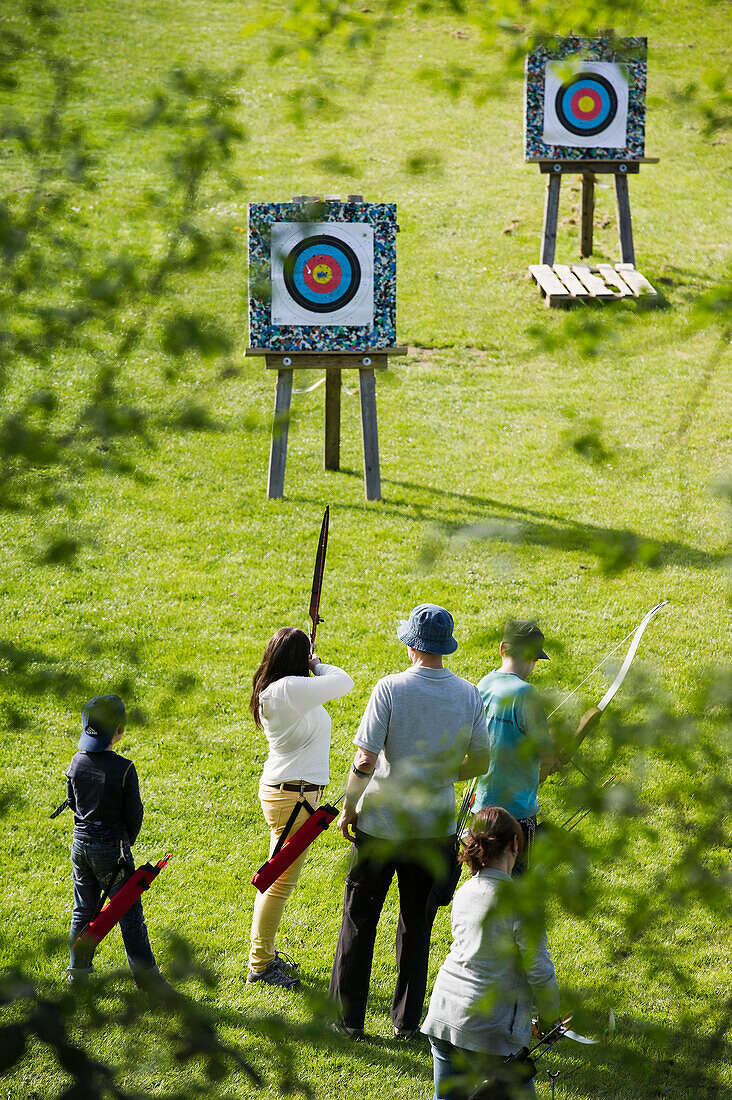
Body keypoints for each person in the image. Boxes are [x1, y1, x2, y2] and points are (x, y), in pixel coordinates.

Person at [328, 603, 490, 1041]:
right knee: (416, 926)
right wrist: (442, 774)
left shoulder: (390, 688)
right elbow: (481, 758)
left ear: (410, 643)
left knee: (359, 919)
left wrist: (349, 807)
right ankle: (406, 1022)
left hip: (380, 824)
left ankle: (348, 1021)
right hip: (433, 828)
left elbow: (365, 758)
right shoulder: (469, 694)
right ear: (445, 647)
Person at [421, 807, 561, 1100]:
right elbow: (540, 970)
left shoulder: (466, 891)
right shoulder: (522, 903)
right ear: (514, 845)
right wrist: (550, 1019)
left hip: (445, 1015)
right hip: (488, 1030)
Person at [247, 626, 353, 990]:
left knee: (273, 878)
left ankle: (262, 957)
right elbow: (344, 682)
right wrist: (318, 664)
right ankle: (260, 964)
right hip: (294, 798)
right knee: (276, 884)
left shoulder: (274, 690)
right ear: (298, 660)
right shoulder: (290, 689)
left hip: (285, 793)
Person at [66, 694, 161, 986]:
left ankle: (77, 974)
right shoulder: (124, 769)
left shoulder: (76, 761)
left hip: (80, 847)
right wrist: (124, 842)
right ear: (119, 730)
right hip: (113, 851)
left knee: (83, 908)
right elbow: (134, 814)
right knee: (129, 914)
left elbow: (72, 802)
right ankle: (148, 982)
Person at [473, 621, 557, 875]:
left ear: (502, 649)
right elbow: (548, 755)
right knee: (515, 886)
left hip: (483, 808)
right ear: (534, 659)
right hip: (517, 814)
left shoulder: (483, 684)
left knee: (483, 875)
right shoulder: (526, 694)